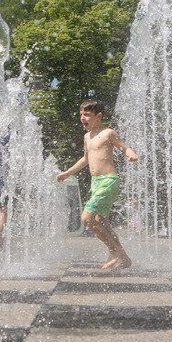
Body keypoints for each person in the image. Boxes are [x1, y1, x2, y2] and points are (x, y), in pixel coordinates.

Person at [55, 98, 137, 270]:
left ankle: (116, 252)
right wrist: (68, 172)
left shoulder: (108, 133)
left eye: (87, 115)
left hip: (108, 181)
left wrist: (130, 154)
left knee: (87, 218)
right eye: (81, 114)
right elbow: (86, 159)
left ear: (99, 116)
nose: (83, 118)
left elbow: (123, 147)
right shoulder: (87, 137)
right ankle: (122, 257)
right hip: (96, 183)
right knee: (101, 221)